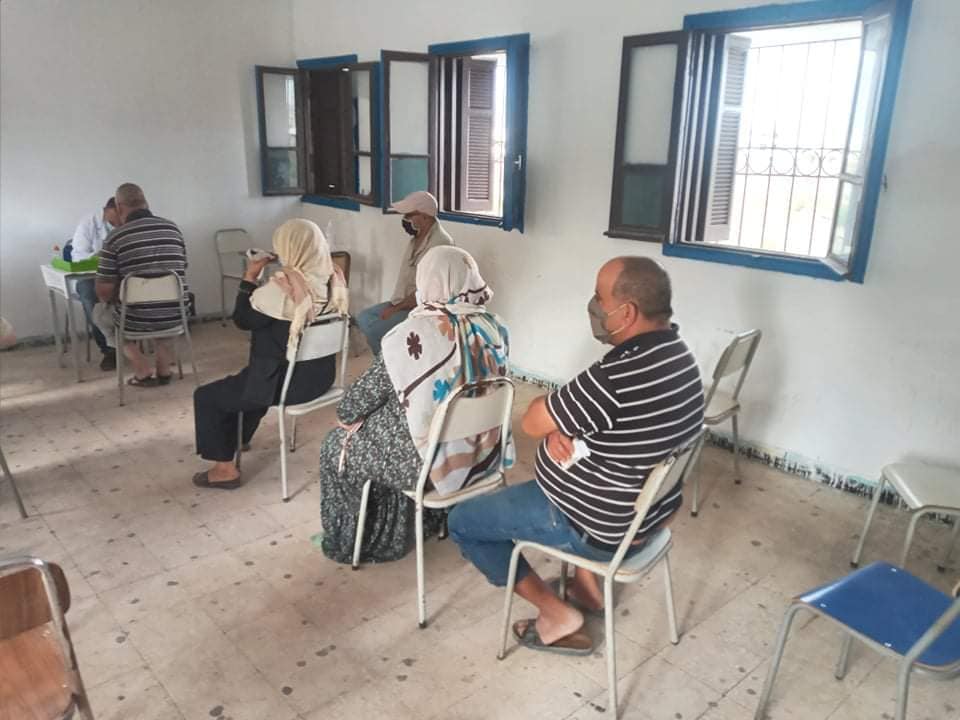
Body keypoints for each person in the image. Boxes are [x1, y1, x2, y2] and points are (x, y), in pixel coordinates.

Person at [448, 257, 705, 655]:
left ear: (627, 313)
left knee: (463, 522)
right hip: (649, 519)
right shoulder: (681, 357)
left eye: (600, 298)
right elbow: (614, 428)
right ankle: (588, 590)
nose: (595, 306)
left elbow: (532, 421)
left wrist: (556, 424)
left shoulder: (615, 377)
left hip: (597, 528)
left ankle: (558, 616)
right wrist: (564, 426)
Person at [318, 245, 510, 564]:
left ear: (427, 282)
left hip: (430, 467)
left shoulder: (409, 336)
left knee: (337, 443)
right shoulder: (495, 327)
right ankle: (418, 525)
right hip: (482, 454)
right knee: (393, 426)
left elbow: (354, 404)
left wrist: (350, 420)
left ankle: (350, 543)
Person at [192, 219, 348, 489]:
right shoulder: (334, 281)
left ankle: (224, 470)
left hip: (282, 384)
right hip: (321, 379)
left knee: (207, 397)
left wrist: (250, 276)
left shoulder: (280, 291)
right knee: (246, 382)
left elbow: (242, 319)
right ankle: (238, 438)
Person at [94, 183, 188, 386]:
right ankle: (164, 369)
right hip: (176, 313)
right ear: (146, 202)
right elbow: (182, 269)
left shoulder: (115, 237)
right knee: (162, 307)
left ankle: (141, 366)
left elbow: (104, 291)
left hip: (135, 318)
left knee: (100, 313)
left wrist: (115, 294)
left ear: (119, 207)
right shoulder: (173, 229)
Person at [355, 191, 452, 355]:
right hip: (402, 302)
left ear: (425, 217)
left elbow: (427, 291)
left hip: (422, 309)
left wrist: (395, 309)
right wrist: (395, 305)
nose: (405, 219)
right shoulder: (417, 238)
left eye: (409, 215)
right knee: (363, 318)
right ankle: (388, 362)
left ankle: (387, 365)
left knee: (374, 329)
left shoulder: (440, 244)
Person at [71, 197, 121, 370]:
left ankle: (130, 340)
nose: (119, 222)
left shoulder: (128, 223)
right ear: (106, 211)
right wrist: (99, 256)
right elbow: (77, 256)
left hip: (118, 275)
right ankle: (109, 349)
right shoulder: (88, 223)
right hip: (92, 276)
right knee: (88, 292)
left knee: (134, 286)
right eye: (116, 217)